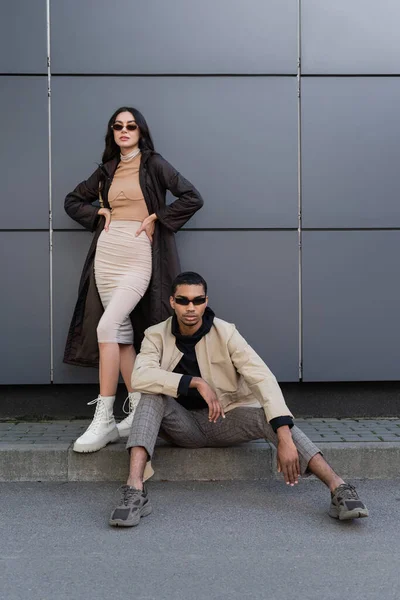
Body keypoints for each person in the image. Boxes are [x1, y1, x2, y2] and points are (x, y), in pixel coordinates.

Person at [109, 271, 369, 527]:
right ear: (172, 302)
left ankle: (340, 488)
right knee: (151, 398)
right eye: (184, 300)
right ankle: (135, 490)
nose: (191, 307)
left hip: (224, 419)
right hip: (181, 425)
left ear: (206, 302)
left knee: (266, 417)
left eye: (198, 300)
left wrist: (284, 435)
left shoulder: (226, 333)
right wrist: (194, 382)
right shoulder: (156, 334)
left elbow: (262, 378)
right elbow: (140, 376)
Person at [63, 108, 203, 453]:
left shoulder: (153, 163)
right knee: (121, 333)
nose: (124, 131)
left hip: (138, 254)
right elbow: (72, 201)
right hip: (107, 256)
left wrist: (159, 216)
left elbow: (191, 197)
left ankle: (105, 417)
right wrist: (98, 211)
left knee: (107, 326)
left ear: (141, 131)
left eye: (131, 126)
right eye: (118, 126)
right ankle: (139, 407)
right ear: (112, 132)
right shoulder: (106, 170)